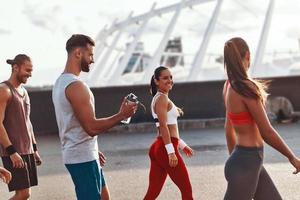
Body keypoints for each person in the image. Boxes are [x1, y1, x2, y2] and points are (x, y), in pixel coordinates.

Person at [52, 34, 137, 200]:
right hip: (82, 158)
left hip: (85, 154)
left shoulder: (60, 83)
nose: (92, 60)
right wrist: (121, 115)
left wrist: (94, 149)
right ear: (78, 53)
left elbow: (72, 124)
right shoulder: (75, 86)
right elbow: (91, 127)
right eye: (90, 54)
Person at [223, 37, 300, 200]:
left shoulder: (228, 86)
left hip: (244, 161)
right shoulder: (245, 86)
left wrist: (233, 160)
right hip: (247, 162)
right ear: (248, 56)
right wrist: (291, 157)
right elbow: (266, 131)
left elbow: (228, 129)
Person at [144, 66, 194, 200]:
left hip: (159, 147)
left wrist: (182, 145)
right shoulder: (162, 99)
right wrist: (171, 152)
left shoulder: (159, 97)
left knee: (152, 193)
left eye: (171, 77)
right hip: (165, 148)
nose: (170, 80)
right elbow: (163, 126)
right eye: (165, 78)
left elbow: (170, 126)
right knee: (187, 191)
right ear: (156, 81)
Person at [0, 54, 42, 200]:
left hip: (27, 150)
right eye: (27, 70)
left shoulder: (24, 92)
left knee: (25, 194)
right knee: (23, 194)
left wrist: (34, 148)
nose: (30, 74)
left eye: (31, 71)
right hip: (13, 151)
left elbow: (27, 122)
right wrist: (12, 152)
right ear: (15, 68)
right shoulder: (4, 90)